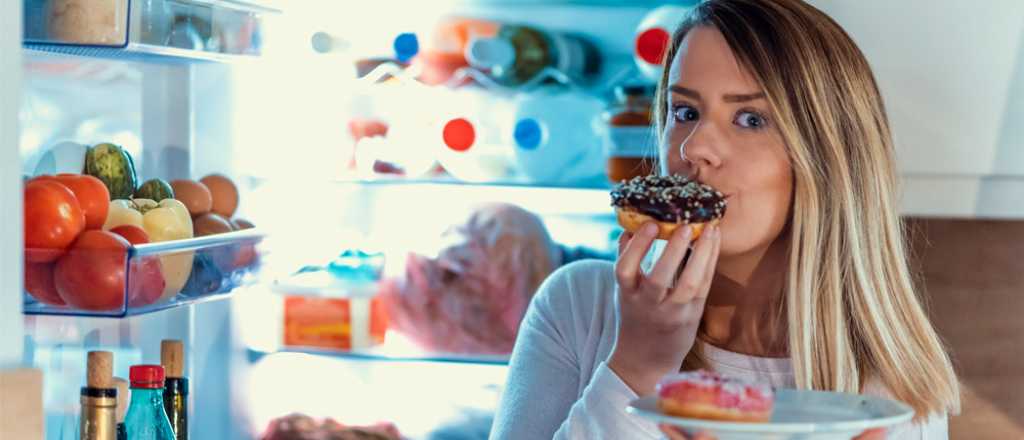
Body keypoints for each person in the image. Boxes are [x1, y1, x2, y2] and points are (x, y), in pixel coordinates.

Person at [489, 1, 960, 439]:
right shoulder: (577, 309)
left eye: (750, 119)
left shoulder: (890, 398)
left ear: (828, 159)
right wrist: (637, 366)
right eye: (685, 112)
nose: (694, 148)